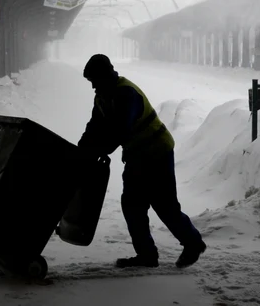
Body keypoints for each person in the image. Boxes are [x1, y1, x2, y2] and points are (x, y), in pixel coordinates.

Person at [78, 53, 206, 268]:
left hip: (157, 151)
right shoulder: (102, 96)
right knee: (132, 205)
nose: (92, 86)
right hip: (137, 155)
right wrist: (81, 149)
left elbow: (120, 129)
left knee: (164, 205)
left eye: (94, 80)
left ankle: (193, 243)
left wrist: (100, 150)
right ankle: (147, 255)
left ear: (105, 76)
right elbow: (95, 125)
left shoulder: (126, 93)